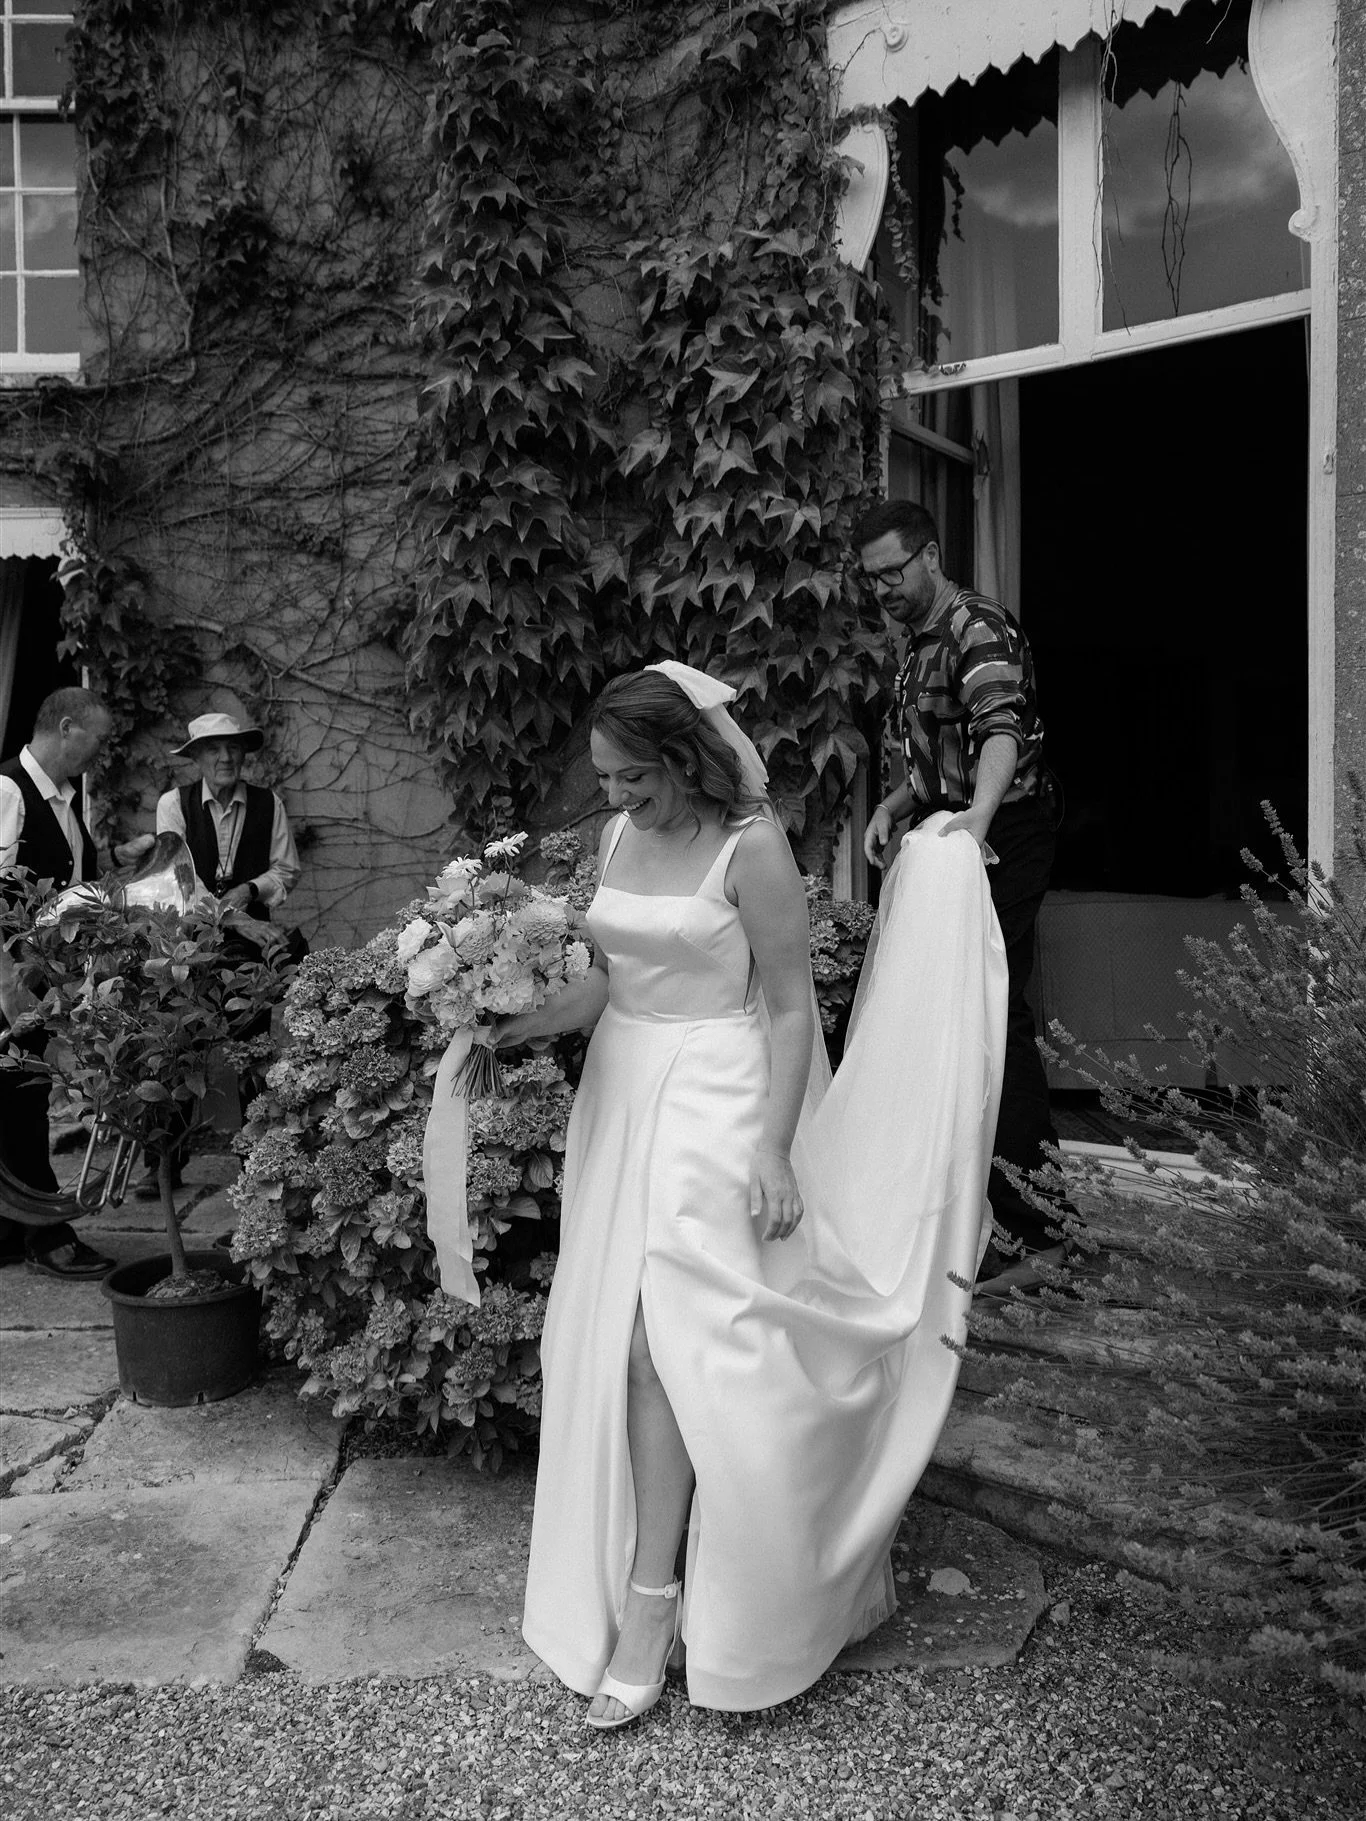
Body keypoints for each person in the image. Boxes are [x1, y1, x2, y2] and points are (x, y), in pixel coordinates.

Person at [477, 661, 1007, 1725]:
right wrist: (513, 1016)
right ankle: (662, 1580)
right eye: (603, 777)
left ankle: (655, 1601)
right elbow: (611, 982)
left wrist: (773, 1152)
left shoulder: (749, 846)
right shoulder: (617, 840)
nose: (611, 795)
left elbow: (788, 1010)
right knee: (612, 1336)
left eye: (628, 775)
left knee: (663, 1345)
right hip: (622, 1096)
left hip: (720, 1099)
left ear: (681, 756)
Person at [854, 498, 1069, 1296]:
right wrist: (896, 806)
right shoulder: (915, 648)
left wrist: (975, 817)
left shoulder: (976, 626)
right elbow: (934, 758)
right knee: (952, 1019)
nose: (883, 589)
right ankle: (971, 1203)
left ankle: (1043, 1228)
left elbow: (1000, 727)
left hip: (1003, 834)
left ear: (932, 555)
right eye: (871, 579)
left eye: (893, 572)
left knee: (994, 1016)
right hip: (954, 838)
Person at [0, 687, 153, 1277]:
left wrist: (119, 860)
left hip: (39, 985)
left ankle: (13, 1233)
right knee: (19, 1105)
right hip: (11, 985)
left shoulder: (61, 799)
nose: (103, 751)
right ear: (66, 728)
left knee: (20, 1103)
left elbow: (65, 887)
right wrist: (13, 995)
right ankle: (45, 1236)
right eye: (99, 738)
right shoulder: (10, 791)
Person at [138, 712, 301, 1196]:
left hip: (254, 951)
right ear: (196, 758)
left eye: (233, 747)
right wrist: (239, 919)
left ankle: (260, 1160)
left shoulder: (269, 803)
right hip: (186, 946)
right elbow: (179, 882)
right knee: (175, 1048)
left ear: (244, 753)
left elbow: (286, 870)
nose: (225, 757)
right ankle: (163, 1164)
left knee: (252, 1051)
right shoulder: (174, 804)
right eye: (213, 749)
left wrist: (252, 889)